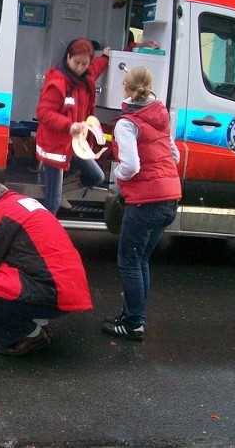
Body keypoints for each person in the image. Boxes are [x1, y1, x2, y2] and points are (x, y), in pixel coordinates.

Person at [0, 181, 92, 356]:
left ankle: (25, 335)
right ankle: (38, 324)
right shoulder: (27, 206)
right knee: (1, 278)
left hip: (50, 291)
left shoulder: (0, 213)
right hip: (68, 289)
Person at [102, 66, 181, 342]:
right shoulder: (160, 115)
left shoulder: (127, 122)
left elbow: (132, 165)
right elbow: (175, 155)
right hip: (170, 198)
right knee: (142, 259)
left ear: (126, 87)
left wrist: (118, 177)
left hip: (146, 201)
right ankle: (133, 315)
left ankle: (134, 322)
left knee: (129, 261)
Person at [35, 38, 110, 214]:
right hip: (55, 146)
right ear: (68, 57)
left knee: (97, 176)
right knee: (52, 203)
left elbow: (96, 68)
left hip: (75, 144)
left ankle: (61, 191)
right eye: (76, 62)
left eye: (84, 63)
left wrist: (106, 57)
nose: (80, 67)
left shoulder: (86, 78)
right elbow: (43, 112)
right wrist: (69, 126)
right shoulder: (57, 82)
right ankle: (43, 234)